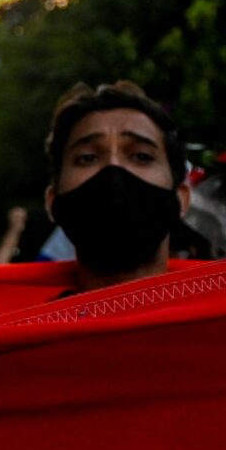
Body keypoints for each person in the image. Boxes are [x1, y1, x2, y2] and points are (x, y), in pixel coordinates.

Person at [43, 80, 190, 294]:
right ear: (52, 201)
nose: (114, 167)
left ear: (182, 198)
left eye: (141, 156)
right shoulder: (16, 325)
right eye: (87, 158)